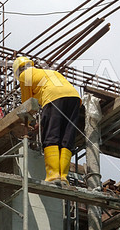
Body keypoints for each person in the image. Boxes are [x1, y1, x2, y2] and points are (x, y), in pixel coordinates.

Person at [13, 56, 81, 186]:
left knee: (51, 136)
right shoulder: (50, 72)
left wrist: (28, 123)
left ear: (18, 71)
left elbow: (27, 104)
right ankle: (63, 177)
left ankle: (53, 175)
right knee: (66, 138)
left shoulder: (24, 75)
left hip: (53, 98)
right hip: (74, 98)